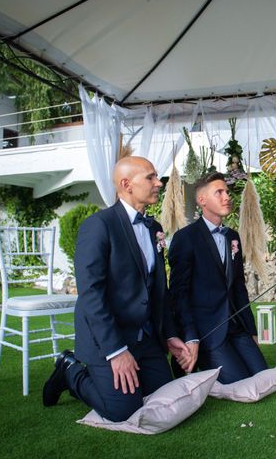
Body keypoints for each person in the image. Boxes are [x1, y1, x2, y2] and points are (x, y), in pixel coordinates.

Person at [42, 156, 190, 422]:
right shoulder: (98, 226)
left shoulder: (154, 228)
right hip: (108, 339)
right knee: (123, 411)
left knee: (165, 397)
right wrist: (117, 351)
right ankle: (70, 370)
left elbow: (159, 291)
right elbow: (91, 294)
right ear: (126, 184)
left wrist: (169, 335)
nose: (158, 183)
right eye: (151, 177)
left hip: (145, 338)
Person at [168, 172, 268, 384]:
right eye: (219, 192)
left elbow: (238, 287)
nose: (226, 197)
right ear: (202, 200)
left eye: (227, 192)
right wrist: (191, 337)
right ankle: (197, 361)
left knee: (262, 374)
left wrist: (251, 331)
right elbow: (179, 294)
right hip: (207, 331)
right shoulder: (185, 238)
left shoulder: (233, 236)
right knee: (239, 382)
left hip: (235, 326)